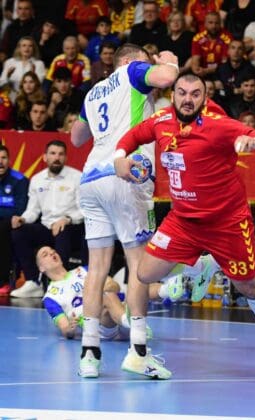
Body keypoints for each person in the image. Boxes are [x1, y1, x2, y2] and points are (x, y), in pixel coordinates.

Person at [113, 73, 255, 374]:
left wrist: (254, 140)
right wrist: (119, 157)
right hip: (183, 220)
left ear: (204, 98)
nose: (187, 99)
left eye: (195, 94)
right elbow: (133, 136)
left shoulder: (218, 126)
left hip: (227, 222)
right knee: (145, 272)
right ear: (173, 95)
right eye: (182, 93)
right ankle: (201, 266)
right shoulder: (161, 120)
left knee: (248, 285)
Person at [70, 43, 182, 379]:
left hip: (91, 178)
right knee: (139, 267)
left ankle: (89, 355)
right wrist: (169, 62)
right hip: (126, 175)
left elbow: (76, 138)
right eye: (145, 62)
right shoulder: (133, 72)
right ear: (132, 61)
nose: (148, 69)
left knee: (96, 269)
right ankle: (138, 352)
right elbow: (165, 77)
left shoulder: (93, 92)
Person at [38, 245, 184, 339]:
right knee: (104, 297)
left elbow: (114, 285)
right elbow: (65, 328)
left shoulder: (83, 270)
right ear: (41, 268)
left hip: (119, 305)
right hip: (99, 324)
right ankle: (132, 323)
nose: (52, 253)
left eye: (53, 251)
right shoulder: (50, 297)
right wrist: (70, 328)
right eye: (45, 254)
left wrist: (100, 291)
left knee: (138, 288)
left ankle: (169, 289)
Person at [10, 140, 86, 299]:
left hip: (71, 226)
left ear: (65, 158)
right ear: (45, 157)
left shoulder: (77, 177)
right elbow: (33, 211)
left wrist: (67, 219)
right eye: (53, 153)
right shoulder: (37, 179)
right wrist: (22, 219)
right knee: (19, 232)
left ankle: (60, 284)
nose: (57, 158)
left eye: (60, 154)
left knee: (62, 232)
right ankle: (33, 282)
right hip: (46, 226)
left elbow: (84, 210)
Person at [0, 145, 29, 296]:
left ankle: (3, 280)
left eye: (3, 158)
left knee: (4, 228)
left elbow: (20, 209)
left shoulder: (20, 180)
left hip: (11, 223)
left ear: (9, 160)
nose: (0, 162)